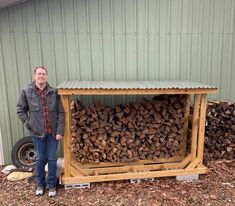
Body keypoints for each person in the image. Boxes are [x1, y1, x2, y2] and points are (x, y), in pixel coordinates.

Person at [17, 66, 65, 197]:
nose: (41, 76)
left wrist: (60, 131)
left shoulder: (54, 92)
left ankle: (51, 186)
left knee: (52, 159)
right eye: (39, 74)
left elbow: (61, 112)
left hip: (53, 133)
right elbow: (20, 110)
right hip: (37, 133)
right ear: (35, 76)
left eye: (43, 74)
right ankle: (40, 185)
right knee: (39, 159)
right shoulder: (27, 91)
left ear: (46, 77)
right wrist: (29, 123)